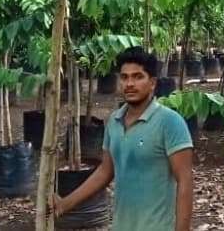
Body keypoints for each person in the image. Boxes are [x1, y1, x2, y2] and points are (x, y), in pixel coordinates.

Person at [53, 46, 194, 231]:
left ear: (152, 83)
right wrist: (64, 204)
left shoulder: (170, 122)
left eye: (138, 77)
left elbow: (185, 180)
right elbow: (105, 171)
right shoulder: (114, 121)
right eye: (124, 77)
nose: (129, 84)